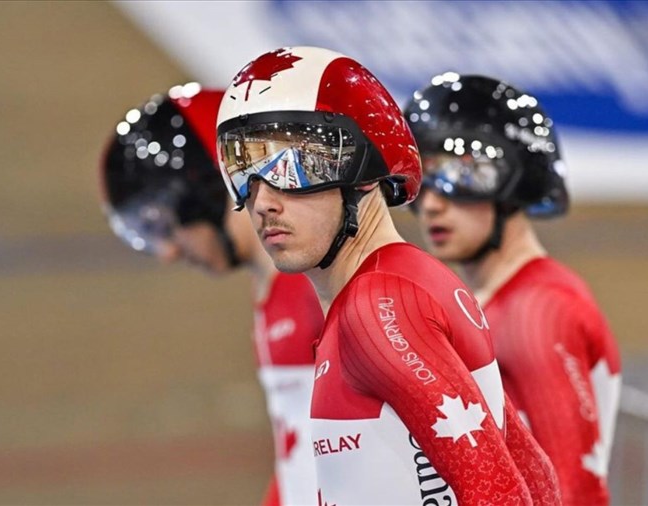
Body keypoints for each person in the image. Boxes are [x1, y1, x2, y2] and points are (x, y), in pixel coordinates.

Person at [216, 46, 560, 505]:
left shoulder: (377, 307)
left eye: (291, 165)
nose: (262, 202)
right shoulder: (404, 282)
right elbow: (536, 480)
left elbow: (505, 496)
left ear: (363, 170)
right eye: (244, 172)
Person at [99, 83, 324, 506]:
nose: (166, 252)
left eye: (163, 227)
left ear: (203, 193)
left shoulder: (313, 286)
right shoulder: (280, 289)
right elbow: (301, 457)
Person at [404, 73, 623, 505]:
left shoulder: (538, 311)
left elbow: (574, 493)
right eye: (423, 178)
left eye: (459, 173)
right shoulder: (501, 302)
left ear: (513, 185)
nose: (431, 203)